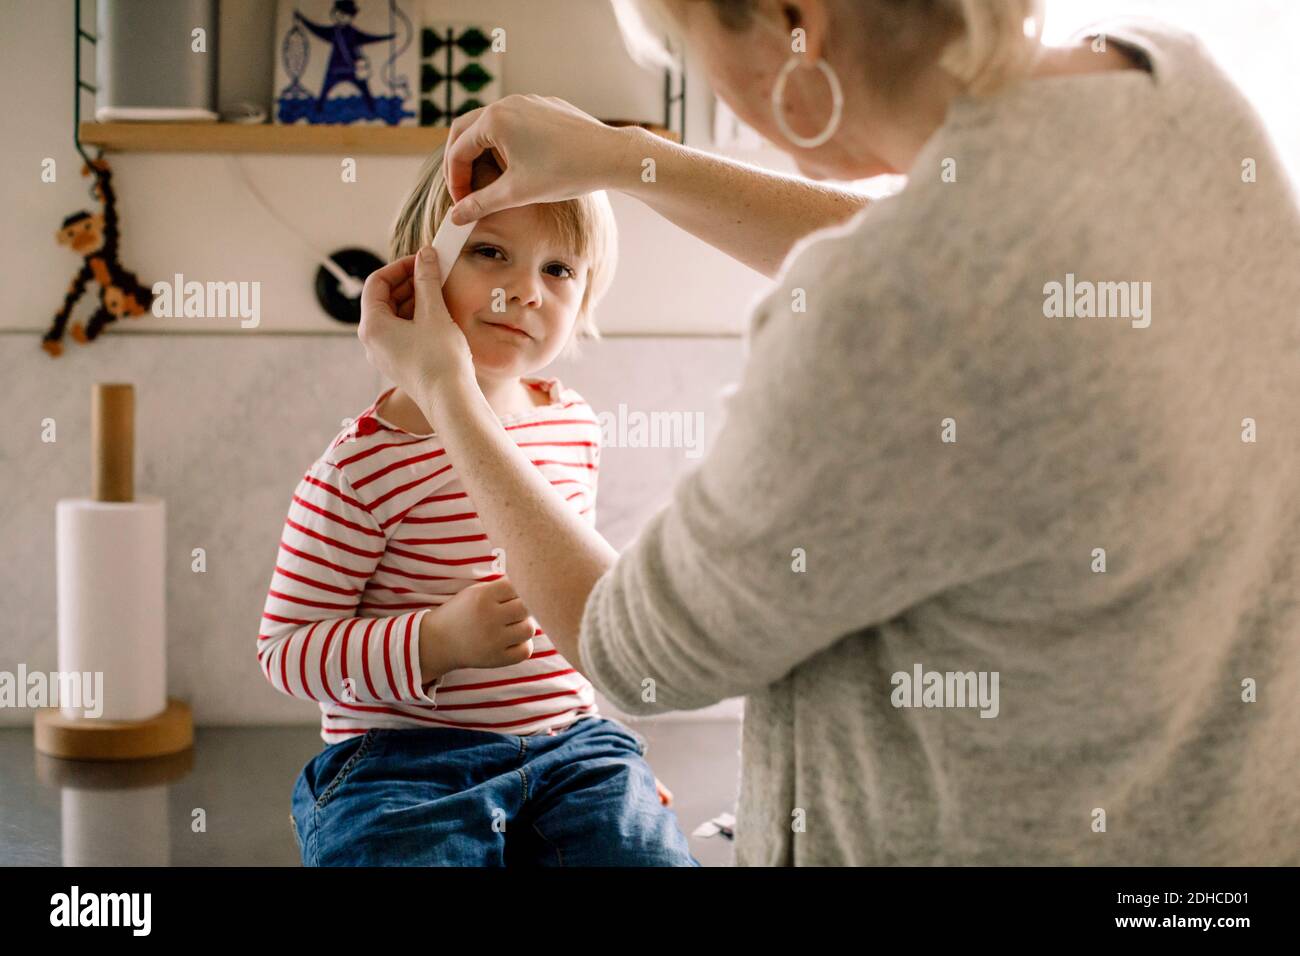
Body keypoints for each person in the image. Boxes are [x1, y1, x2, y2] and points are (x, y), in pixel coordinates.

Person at [357, 0, 1300, 865]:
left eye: (689, 47)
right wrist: (627, 159)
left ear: (791, 23)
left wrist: (447, 394)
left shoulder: (876, 323)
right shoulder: (1182, 92)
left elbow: (635, 652)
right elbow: (958, 252)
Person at [260, 146, 696, 866]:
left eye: (559, 269)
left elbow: (575, 612)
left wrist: (615, 776)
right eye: (491, 251)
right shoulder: (361, 465)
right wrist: (436, 641)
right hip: (401, 766)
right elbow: (284, 651)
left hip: (570, 748)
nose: (526, 289)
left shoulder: (573, 425)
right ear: (414, 277)